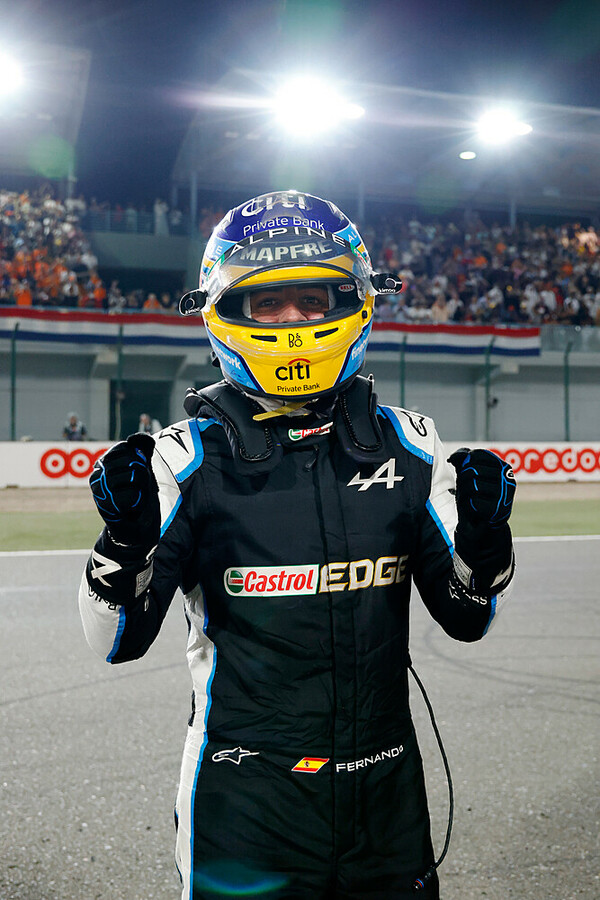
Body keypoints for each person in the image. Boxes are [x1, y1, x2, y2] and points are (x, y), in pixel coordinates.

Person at [79, 191, 516, 900]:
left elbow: (469, 617)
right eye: (267, 303)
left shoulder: (412, 444)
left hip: (387, 796)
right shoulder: (183, 460)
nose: (292, 322)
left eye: (312, 301)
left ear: (354, 302)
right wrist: (121, 545)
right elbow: (115, 642)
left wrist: (487, 544)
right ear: (226, 311)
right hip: (245, 803)